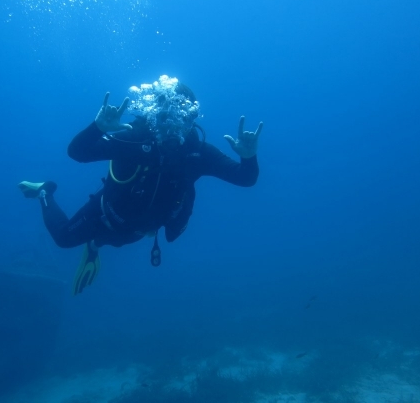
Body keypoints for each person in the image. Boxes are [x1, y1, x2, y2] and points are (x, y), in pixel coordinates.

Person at [19, 75, 262, 295]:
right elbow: (77, 152)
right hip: (104, 214)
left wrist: (249, 157)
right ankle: (45, 191)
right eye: (165, 118)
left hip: (140, 230)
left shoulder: (198, 154)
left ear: (191, 120)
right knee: (63, 239)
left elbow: (245, 178)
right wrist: (97, 128)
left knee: (117, 241)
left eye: (181, 119)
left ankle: (95, 244)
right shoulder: (134, 140)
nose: (172, 128)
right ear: (153, 115)